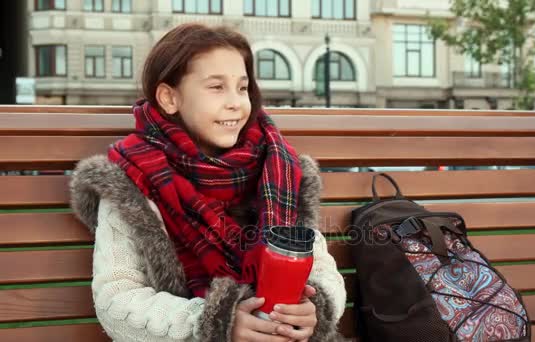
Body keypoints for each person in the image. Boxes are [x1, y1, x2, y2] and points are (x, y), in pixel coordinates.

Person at [70, 23, 346, 342]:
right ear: (169, 98)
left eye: (242, 88)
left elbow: (321, 268)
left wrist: (313, 309)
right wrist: (216, 323)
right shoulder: (133, 178)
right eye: (217, 87)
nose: (236, 103)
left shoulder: (278, 167)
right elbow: (116, 301)